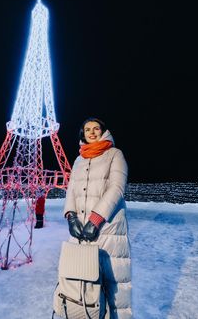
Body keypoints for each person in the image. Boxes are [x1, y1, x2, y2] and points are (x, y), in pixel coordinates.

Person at [64, 117, 132, 319]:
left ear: (103, 131)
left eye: (96, 128)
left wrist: (96, 219)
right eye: (87, 129)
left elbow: (117, 187)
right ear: (82, 134)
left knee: (114, 287)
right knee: (81, 285)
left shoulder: (114, 154)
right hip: (80, 233)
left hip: (107, 231)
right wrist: (70, 216)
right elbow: (71, 190)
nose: (91, 132)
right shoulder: (78, 160)